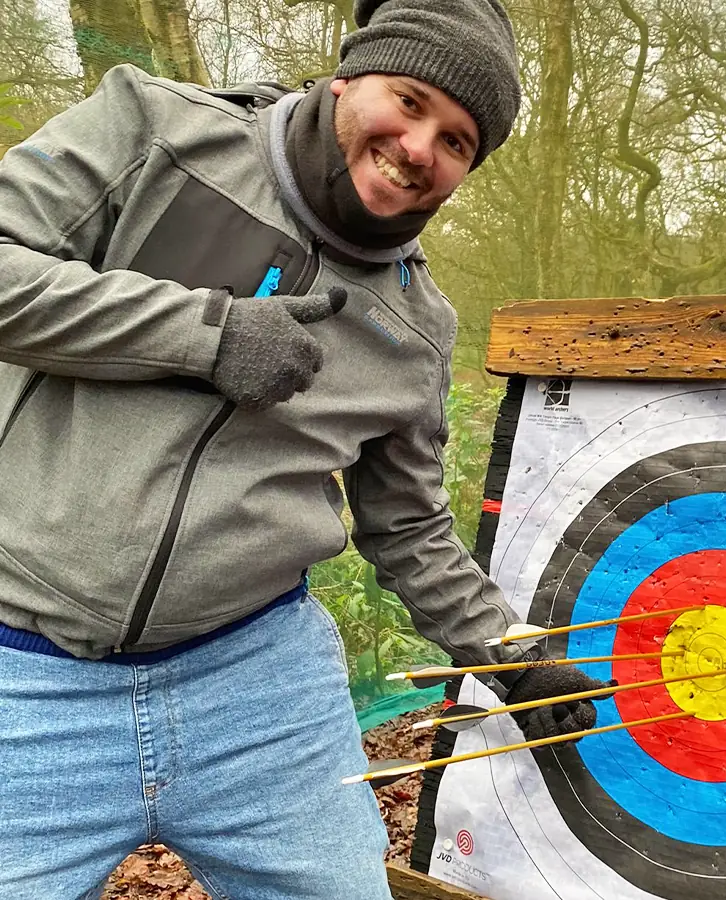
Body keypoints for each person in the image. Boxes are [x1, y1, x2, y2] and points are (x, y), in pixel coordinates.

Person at [0, 0, 608, 897]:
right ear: (347, 77)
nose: (418, 149)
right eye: (408, 101)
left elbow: (406, 525)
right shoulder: (157, 132)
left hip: (260, 686)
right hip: (24, 680)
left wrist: (508, 652)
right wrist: (204, 334)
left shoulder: (415, 326)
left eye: (457, 143)